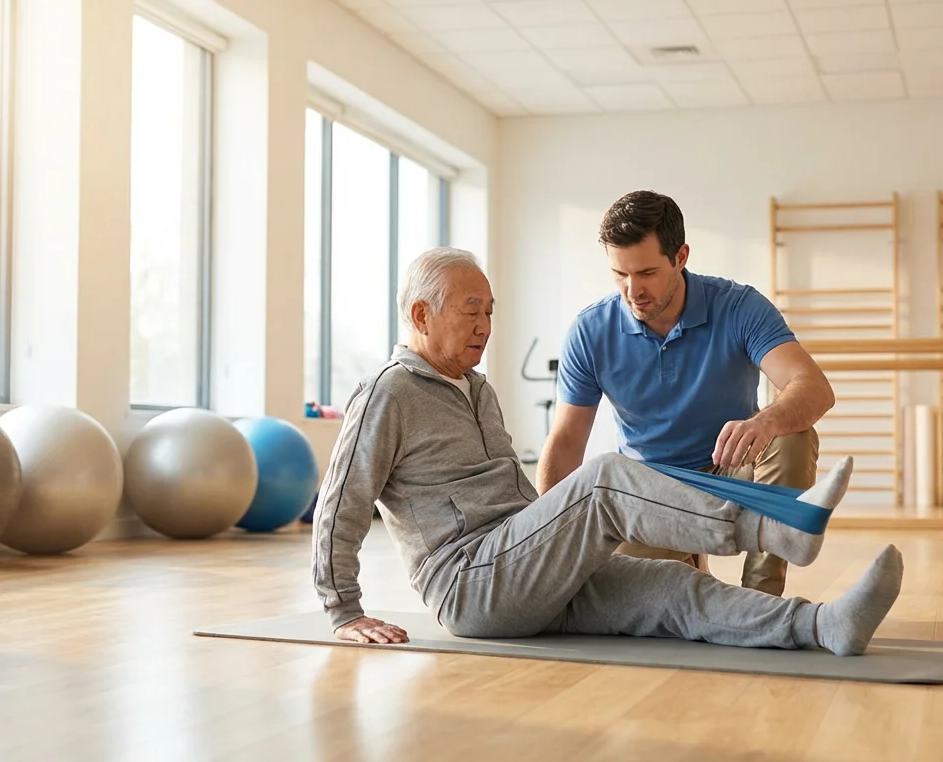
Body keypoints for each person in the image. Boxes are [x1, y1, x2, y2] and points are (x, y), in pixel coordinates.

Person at [311, 247, 903, 656]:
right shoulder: (387, 392)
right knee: (604, 479)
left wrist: (551, 531)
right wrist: (344, 610)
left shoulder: (477, 389)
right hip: (470, 585)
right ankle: (779, 529)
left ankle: (823, 626)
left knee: (673, 589)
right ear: (421, 315)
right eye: (472, 311)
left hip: (525, 570)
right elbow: (342, 500)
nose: (486, 325)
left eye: (490, 310)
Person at [537, 190, 835, 596]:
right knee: (642, 606)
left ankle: (761, 598)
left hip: (731, 473)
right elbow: (567, 440)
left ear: (680, 257)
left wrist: (764, 421)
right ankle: (689, 569)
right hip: (649, 492)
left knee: (792, 436)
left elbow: (813, 388)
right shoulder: (590, 331)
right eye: (619, 274)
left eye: (645, 273)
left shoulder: (739, 307)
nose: (632, 290)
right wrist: (543, 542)